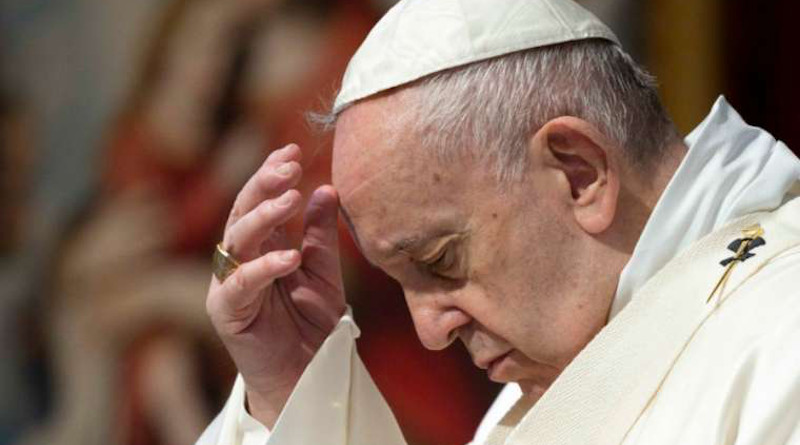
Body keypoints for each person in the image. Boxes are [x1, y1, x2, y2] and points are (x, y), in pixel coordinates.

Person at [197, 0, 800, 444]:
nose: (430, 333)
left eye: (440, 262)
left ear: (579, 173)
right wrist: (294, 398)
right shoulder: (528, 402)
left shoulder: (781, 338)